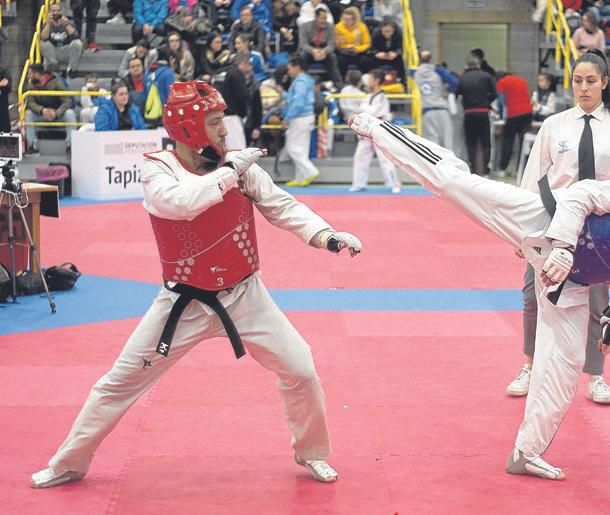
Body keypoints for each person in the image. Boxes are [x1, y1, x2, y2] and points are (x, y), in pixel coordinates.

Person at [348, 110, 610, 480]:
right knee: (456, 185)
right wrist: (560, 245)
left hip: (572, 285)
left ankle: (526, 452)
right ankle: (379, 128)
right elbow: (583, 194)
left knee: (564, 368)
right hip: (546, 219)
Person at [30, 80, 363, 490]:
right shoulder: (158, 168)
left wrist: (325, 234)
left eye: (223, 121)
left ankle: (311, 452)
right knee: (117, 383)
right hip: (181, 301)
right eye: (215, 122)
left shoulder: (236, 165)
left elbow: (283, 206)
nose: (224, 131)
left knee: (302, 369)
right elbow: (183, 204)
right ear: (189, 128)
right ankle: (69, 462)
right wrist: (229, 171)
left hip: (245, 295)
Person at [506, 50, 610, 405]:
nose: (583, 88)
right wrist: (521, 230)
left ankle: (596, 375)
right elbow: (533, 177)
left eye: (590, 81)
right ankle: (530, 365)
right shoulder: (555, 125)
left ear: (604, 83)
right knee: (532, 296)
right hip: (552, 222)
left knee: (598, 301)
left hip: (601, 225)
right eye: (577, 81)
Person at [348, 68, 400, 193]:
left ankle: (393, 184)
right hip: (367, 131)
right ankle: (358, 183)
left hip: (379, 131)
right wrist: (365, 108)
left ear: (377, 80)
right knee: (360, 157)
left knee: (385, 159)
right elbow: (365, 111)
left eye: (371, 78)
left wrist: (364, 107)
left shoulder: (381, 96)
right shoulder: (369, 96)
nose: (368, 81)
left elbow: (373, 112)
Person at [278, 56, 321, 187]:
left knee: (292, 148)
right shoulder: (305, 81)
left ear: (297, 67)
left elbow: (298, 103)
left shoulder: (300, 82)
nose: (288, 71)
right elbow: (295, 99)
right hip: (305, 117)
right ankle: (300, 178)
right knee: (301, 149)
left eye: (289, 68)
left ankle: (310, 171)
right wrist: (283, 94)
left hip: (300, 117)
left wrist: (287, 118)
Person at [457, 56, 498, 175]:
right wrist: (487, 102)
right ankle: (486, 170)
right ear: (479, 65)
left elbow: (457, 95)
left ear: (466, 66)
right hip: (484, 112)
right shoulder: (486, 76)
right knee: (486, 142)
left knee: (471, 142)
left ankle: (472, 169)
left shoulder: (462, 78)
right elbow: (494, 94)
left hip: (468, 113)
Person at [24, 64, 78, 154]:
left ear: (37, 74)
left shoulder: (56, 82)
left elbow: (67, 100)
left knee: (70, 113)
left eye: (29, 74)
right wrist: (42, 110)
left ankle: (71, 145)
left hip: (58, 113)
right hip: (41, 114)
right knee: (28, 114)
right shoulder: (31, 86)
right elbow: (30, 102)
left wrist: (56, 113)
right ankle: (32, 145)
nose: (28, 76)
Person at [413, 50, 458, 149]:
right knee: (447, 141)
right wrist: (447, 92)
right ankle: (449, 164)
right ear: (430, 59)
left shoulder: (415, 73)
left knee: (432, 142)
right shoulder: (438, 70)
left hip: (427, 111)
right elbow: (454, 82)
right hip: (441, 109)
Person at [495, 70, 533, 177]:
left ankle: (502, 169)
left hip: (513, 113)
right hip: (528, 113)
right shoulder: (522, 80)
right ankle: (520, 170)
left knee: (508, 141)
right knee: (523, 142)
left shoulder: (501, 82)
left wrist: (502, 115)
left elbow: (501, 101)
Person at [39, 2, 84, 79]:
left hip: (66, 50)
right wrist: (49, 24)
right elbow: (44, 37)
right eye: (53, 11)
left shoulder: (69, 22)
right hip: (53, 53)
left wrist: (65, 24)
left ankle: (71, 70)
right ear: (49, 12)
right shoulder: (46, 24)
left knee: (78, 43)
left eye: (58, 11)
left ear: (62, 12)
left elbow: (76, 36)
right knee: (43, 43)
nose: (56, 13)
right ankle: (54, 67)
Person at [299, 7, 343, 86]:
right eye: (322, 18)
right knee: (302, 56)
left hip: (324, 51)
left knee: (332, 57)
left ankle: (337, 83)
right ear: (316, 17)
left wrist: (324, 51)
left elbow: (331, 45)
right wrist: (313, 51)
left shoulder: (330, 27)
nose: (324, 21)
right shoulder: (304, 26)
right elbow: (303, 44)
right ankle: (302, 82)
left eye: (326, 18)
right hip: (309, 51)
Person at [334, 7, 371, 77]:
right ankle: (342, 80)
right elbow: (336, 45)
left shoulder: (362, 27)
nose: (345, 22)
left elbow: (367, 43)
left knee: (366, 61)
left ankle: (362, 80)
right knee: (339, 61)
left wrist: (357, 48)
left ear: (354, 20)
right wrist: (341, 44)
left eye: (348, 20)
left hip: (358, 53)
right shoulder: (338, 27)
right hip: (344, 53)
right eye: (344, 19)